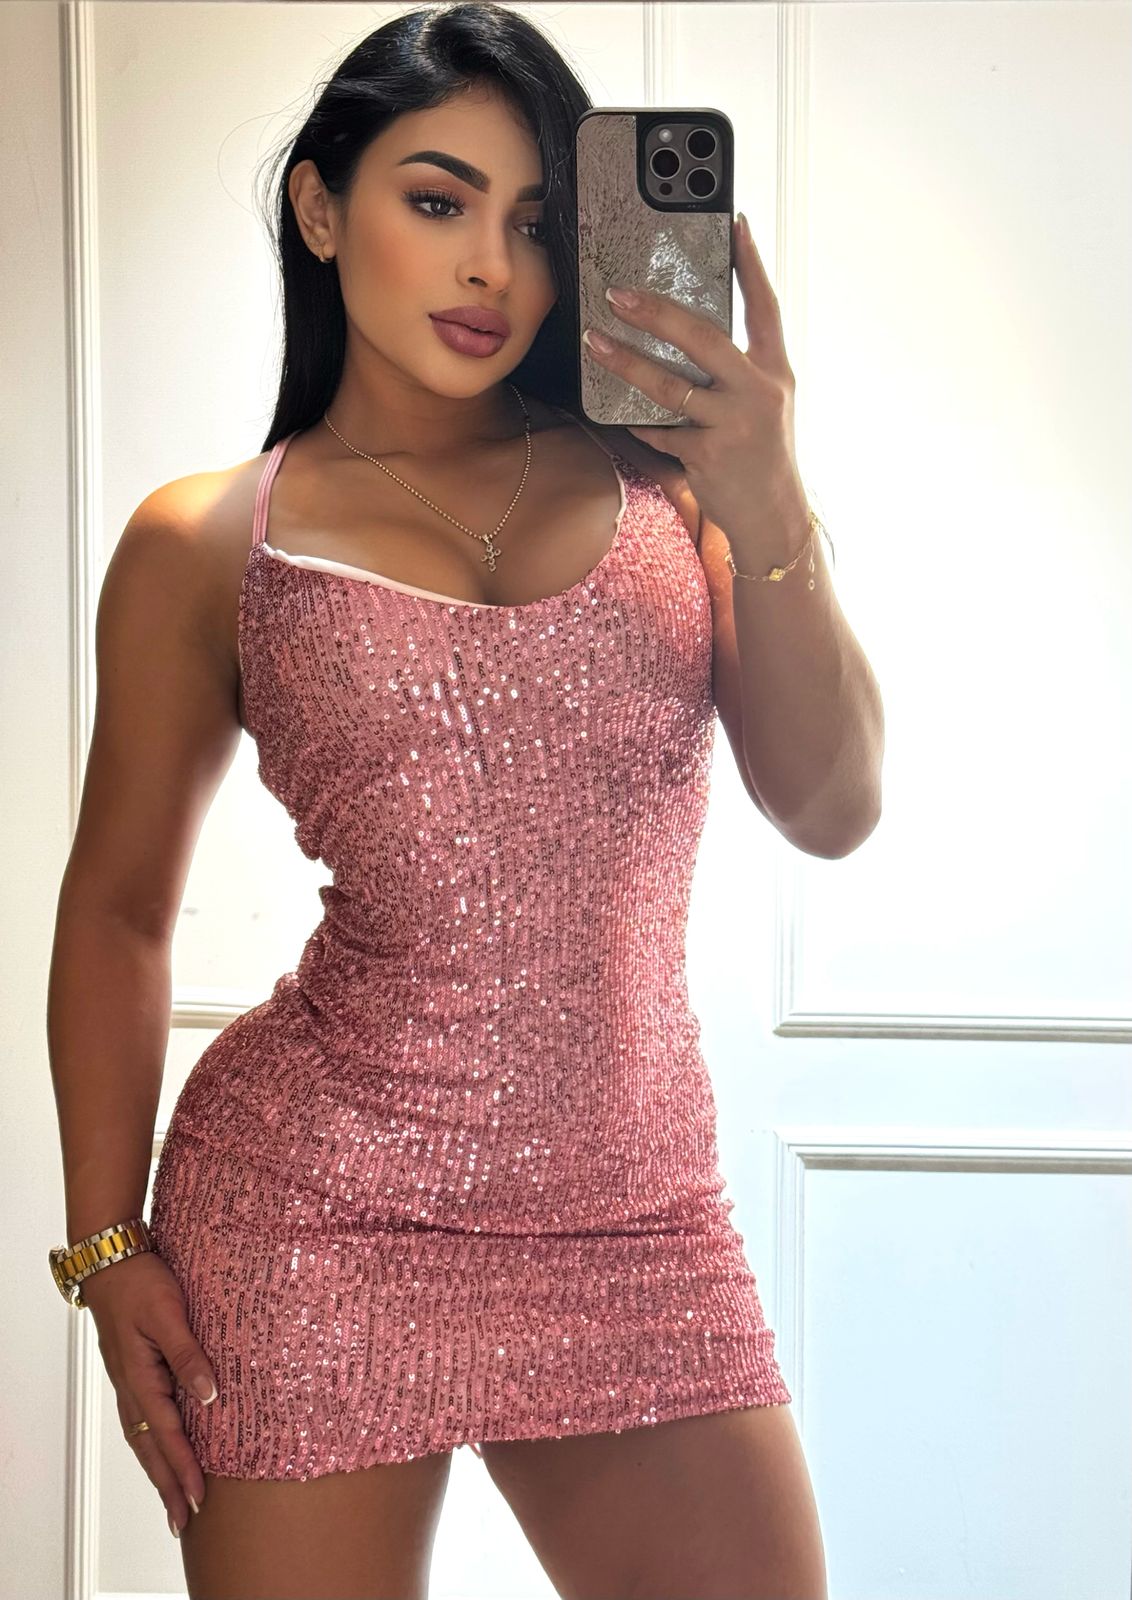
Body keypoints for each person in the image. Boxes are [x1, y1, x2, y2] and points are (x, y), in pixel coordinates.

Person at [46, 4, 832, 1596]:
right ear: (322, 208)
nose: (491, 267)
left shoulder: (671, 489)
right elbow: (119, 910)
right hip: (311, 1218)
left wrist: (768, 496)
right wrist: (107, 1245)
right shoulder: (207, 543)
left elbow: (832, 805)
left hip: (636, 1220)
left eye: (537, 222)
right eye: (436, 199)